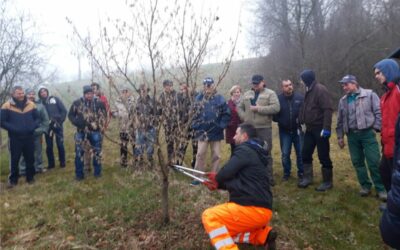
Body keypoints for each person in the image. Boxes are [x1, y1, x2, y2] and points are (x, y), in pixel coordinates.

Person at [202, 123, 277, 250]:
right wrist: (219, 184)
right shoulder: (255, 154)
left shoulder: (244, 150)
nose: (234, 137)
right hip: (263, 211)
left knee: (209, 216)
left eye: (237, 134)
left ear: (244, 136)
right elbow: (239, 182)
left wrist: (217, 178)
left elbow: (227, 171)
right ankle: (263, 236)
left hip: (251, 208)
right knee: (222, 232)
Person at [336, 75, 386, 198]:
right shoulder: (343, 100)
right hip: (352, 136)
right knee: (357, 162)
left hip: (368, 134)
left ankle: (381, 188)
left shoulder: (369, 95)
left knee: (374, 161)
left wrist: (376, 128)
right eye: (343, 85)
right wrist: (340, 137)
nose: (344, 87)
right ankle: (365, 186)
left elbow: (379, 112)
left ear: (354, 84)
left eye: (346, 84)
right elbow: (340, 121)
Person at [238, 74, 280, 186]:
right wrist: (244, 117)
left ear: (263, 82)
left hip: (264, 128)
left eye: (257, 83)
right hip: (249, 129)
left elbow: (276, 108)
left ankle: (268, 178)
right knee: (249, 153)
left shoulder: (270, 93)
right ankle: (252, 177)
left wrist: (259, 109)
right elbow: (239, 107)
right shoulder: (246, 94)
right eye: (253, 83)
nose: (255, 85)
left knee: (266, 152)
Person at [298, 70, 334, 191]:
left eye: (302, 79)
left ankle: (327, 182)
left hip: (320, 129)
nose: (301, 82)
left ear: (307, 79)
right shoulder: (308, 90)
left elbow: (328, 109)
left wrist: (326, 128)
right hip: (309, 129)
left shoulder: (320, 89)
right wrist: (301, 121)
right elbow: (305, 108)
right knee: (305, 153)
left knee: (323, 155)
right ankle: (308, 178)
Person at [191, 77, 231, 185]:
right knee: (200, 155)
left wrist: (221, 126)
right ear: (203, 85)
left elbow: (226, 114)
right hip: (202, 133)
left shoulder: (220, 98)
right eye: (206, 85)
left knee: (216, 155)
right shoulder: (198, 98)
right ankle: (197, 177)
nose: (208, 87)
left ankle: (214, 178)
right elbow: (192, 114)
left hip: (216, 132)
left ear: (213, 85)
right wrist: (196, 126)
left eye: (210, 85)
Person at [1, 86, 39, 188]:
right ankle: (13, 180)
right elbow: (2, 121)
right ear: (13, 94)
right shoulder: (6, 106)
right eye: (18, 93)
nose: (21, 95)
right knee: (15, 159)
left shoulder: (31, 104)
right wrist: (14, 129)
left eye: (22, 93)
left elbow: (37, 119)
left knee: (30, 158)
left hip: (29, 136)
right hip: (15, 138)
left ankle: (30, 178)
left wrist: (32, 127)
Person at [68, 85, 107, 180]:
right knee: (79, 153)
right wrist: (77, 122)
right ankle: (79, 175)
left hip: (95, 131)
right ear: (84, 94)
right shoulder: (77, 103)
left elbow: (104, 115)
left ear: (93, 93)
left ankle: (97, 173)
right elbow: (70, 115)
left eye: (91, 93)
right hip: (81, 131)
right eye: (87, 94)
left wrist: (99, 125)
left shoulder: (99, 103)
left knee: (97, 151)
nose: (89, 95)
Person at [373, 59, 400, 193]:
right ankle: (392, 204)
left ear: (389, 70)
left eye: (379, 72)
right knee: (384, 173)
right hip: (387, 145)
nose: (376, 76)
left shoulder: (398, 90)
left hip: (397, 145)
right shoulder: (384, 96)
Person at [273, 79, 304, 182]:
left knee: (300, 153)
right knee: (285, 154)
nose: (289, 87)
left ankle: (302, 173)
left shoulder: (299, 97)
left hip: (298, 130)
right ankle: (287, 173)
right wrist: (281, 121)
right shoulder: (278, 99)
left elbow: (304, 112)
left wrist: (300, 120)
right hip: (284, 131)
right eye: (286, 86)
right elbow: (274, 115)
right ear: (282, 88)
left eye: (290, 85)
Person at [379, 113, 400, 249]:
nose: (344, 89)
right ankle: (389, 202)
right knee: (385, 171)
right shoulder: (385, 97)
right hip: (389, 143)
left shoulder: (396, 93)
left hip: (392, 142)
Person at [19, 88, 49, 174]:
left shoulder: (40, 105)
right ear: (26, 95)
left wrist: (42, 130)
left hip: (37, 132)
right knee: (23, 152)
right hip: (24, 134)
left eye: (33, 94)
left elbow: (45, 120)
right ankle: (23, 170)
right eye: (29, 94)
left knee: (38, 151)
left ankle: (38, 168)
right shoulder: (21, 105)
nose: (31, 96)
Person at [38, 86, 67, 169]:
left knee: (60, 144)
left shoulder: (55, 99)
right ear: (39, 94)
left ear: (47, 91)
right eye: (41, 92)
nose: (43, 93)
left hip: (57, 125)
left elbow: (64, 110)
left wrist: (60, 121)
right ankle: (51, 164)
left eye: (44, 91)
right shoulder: (40, 103)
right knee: (49, 146)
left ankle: (62, 162)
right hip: (48, 127)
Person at [133, 84, 158, 167]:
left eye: (145, 90)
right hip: (140, 129)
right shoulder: (136, 101)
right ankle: (140, 163)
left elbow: (157, 113)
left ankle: (150, 163)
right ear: (139, 91)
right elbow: (134, 113)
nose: (143, 92)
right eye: (141, 90)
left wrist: (153, 123)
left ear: (147, 91)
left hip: (150, 128)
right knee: (139, 146)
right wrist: (136, 120)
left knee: (150, 147)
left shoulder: (152, 101)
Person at [112, 87, 135, 168]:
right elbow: (114, 112)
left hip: (132, 127)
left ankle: (136, 160)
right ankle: (123, 162)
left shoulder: (133, 101)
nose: (125, 93)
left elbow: (136, 112)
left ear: (129, 92)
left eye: (126, 91)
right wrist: (115, 114)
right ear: (121, 93)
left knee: (134, 144)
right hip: (123, 127)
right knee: (123, 145)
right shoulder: (117, 102)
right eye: (123, 92)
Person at [176, 82, 198, 167]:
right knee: (182, 146)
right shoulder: (179, 97)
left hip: (195, 126)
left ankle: (195, 164)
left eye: (184, 88)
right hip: (185, 126)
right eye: (181, 89)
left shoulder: (196, 96)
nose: (183, 91)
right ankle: (179, 163)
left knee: (195, 146)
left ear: (189, 87)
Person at [159, 79, 179, 163]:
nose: (169, 87)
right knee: (169, 143)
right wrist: (162, 120)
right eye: (167, 85)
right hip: (167, 124)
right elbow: (159, 110)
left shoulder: (176, 95)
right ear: (164, 87)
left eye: (170, 85)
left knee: (178, 142)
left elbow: (180, 107)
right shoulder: (161, 96)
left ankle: (178, 160)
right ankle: (170, 160)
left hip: (177, 123)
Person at [225, 85, 242, 156]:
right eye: (235, 92)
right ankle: (233, 164)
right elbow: (225, 116)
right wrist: (229, 124)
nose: (237, 94)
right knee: (234, 148)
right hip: (231, 129)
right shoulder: (228, 103)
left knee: (241, 148)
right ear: (232, 93)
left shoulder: (243, 102)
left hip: (241, 128)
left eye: (238, 92)